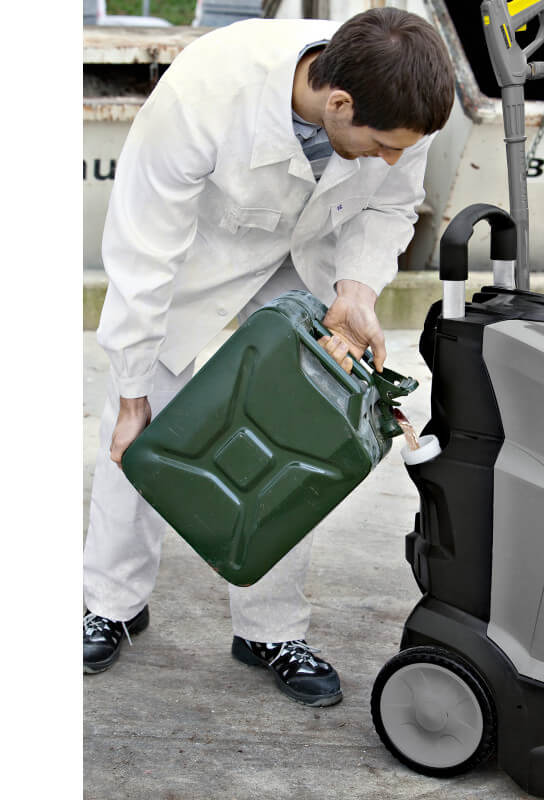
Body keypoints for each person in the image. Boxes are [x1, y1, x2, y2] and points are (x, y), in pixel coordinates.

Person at [83, 7, 455, 707]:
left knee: (298, 430)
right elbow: (143, 250)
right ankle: (111, 602)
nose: (392, 159)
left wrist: (357, 289)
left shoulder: (404, 102)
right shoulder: (206, 90)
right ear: (337, 103)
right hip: (196, 255)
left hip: (306, 261)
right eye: (380, 146)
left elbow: (389, 207)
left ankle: (269, 631)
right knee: (138, 424)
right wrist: (133, 391)